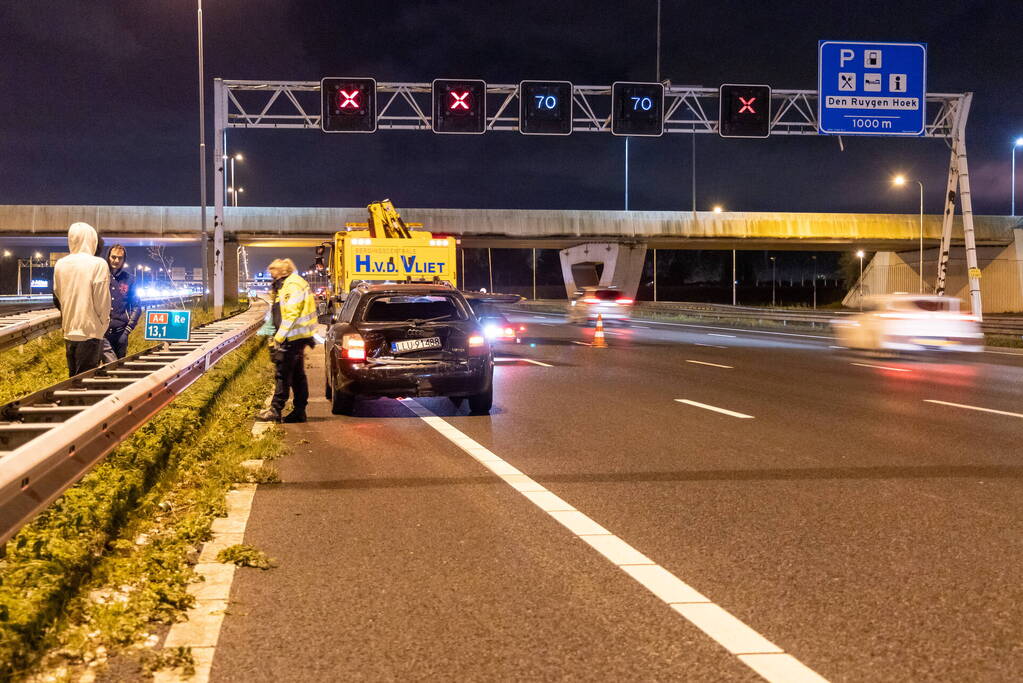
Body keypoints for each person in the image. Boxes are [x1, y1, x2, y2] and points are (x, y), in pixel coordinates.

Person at [257, 258, 317, 423]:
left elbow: (290, 315)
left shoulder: (292, 286)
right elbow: (277, 313)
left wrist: (279, 338)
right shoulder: (288, 285)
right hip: (296, 336)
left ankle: (275, 410)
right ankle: (299, 411)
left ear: (281, 273)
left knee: (282, 374)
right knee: (297, 375)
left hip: (292, 337)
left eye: (272, 275)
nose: (271, 278)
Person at [52, 222, 111, 376]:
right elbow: (102, 301)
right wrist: (102, 325)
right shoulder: (98, 264)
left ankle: (71, 401)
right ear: (92, 240)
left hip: (69, 329)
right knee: (86, 379)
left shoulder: (60, 264)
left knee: (73, 378)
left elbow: (58, 295)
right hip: (91, 331)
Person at [102, 244, 142, 362]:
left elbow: (137, 306)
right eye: (113, 257)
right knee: (102, 371)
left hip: (121, 332)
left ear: (124, 260)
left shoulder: (130, 279)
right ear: (108, 257)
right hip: (102, 334)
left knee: (119, 367)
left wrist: (128, 330)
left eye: (120, 258)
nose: (116, 260)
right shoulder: (100, 276)